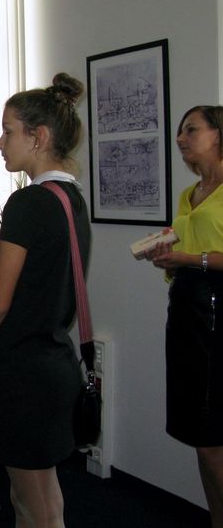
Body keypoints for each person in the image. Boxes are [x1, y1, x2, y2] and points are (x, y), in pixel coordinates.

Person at [0, 72, 89, 528]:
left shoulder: (29, 203)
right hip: (50, 363)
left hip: (26, 379)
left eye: (8, 131)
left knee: (37, 510)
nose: (0, 143)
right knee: (37, 502)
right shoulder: (70, 198)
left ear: (39, 137)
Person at [147, 105, 223, 528]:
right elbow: (184, 256)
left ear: (219, 134)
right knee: (200, 435)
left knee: (213, 437)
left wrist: (190, 259)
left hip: (217, 315)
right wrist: (168, 257)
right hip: (187, 313)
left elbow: (201, 257)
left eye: (191, 130)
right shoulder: (189, 194)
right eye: (180, 132)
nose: (180, 138)